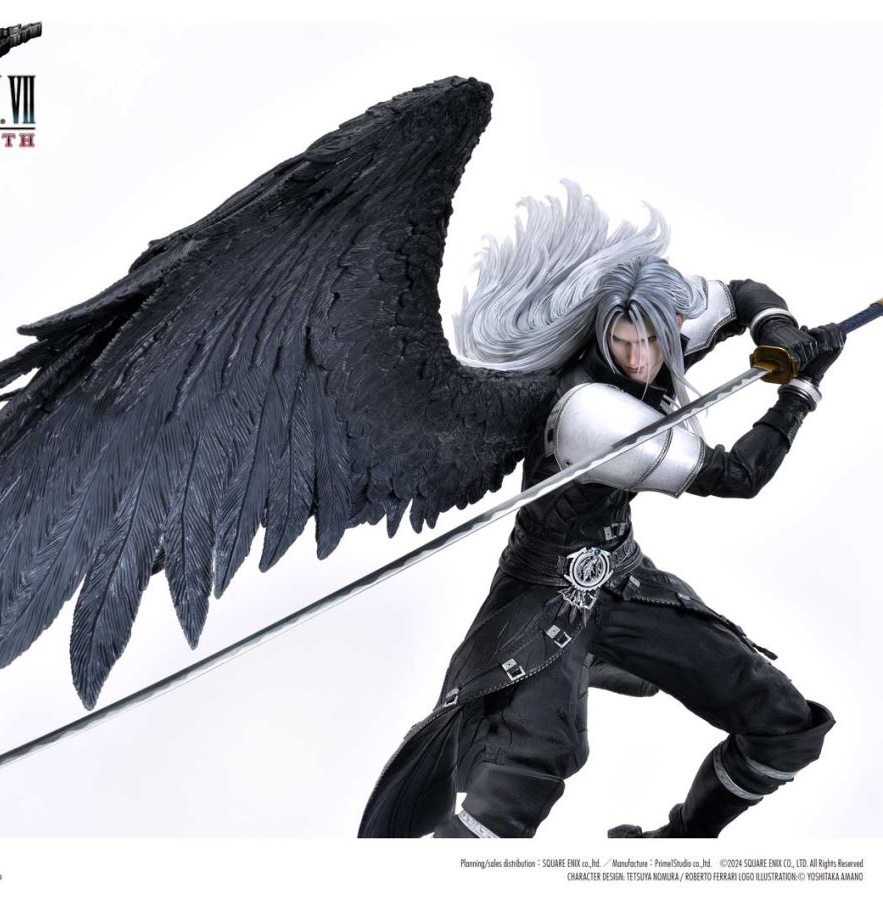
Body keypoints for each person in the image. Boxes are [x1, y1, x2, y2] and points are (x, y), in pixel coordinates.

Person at [358, 207, 846, 840]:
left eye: (651, 342)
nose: (637, 359)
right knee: (522, 780)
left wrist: (775, 329)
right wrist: (800, 393)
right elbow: (737, 477)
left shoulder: (653, 327)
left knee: (781, 722)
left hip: (623, 577)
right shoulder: (590, 411)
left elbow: (737, 293)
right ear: (603, 330)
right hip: (543, 599)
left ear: (673, 325)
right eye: (621, 342)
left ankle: (681, 847)